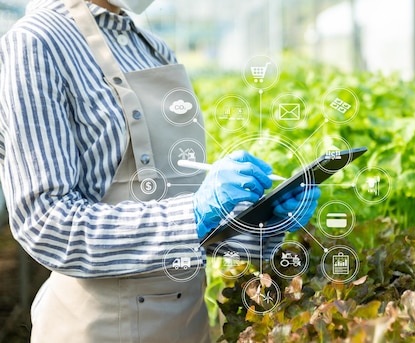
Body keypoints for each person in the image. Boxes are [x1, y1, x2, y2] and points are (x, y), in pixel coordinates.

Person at [0, 0, 320, 341]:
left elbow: (183, 227)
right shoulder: (37, 42)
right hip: (101, 327)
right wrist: (194, 213)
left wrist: (259, 224)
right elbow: (47, 224)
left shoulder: (152, 47)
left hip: (187, 324)